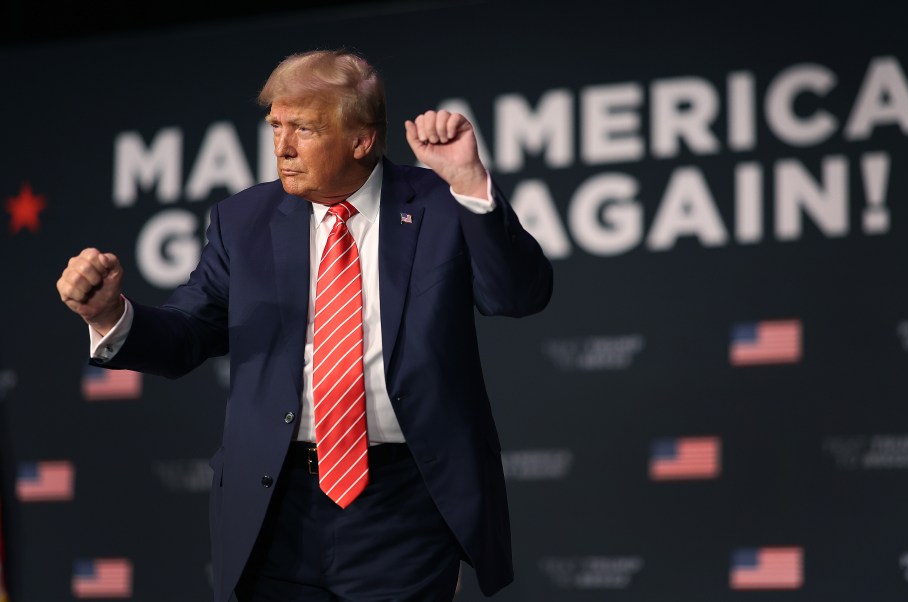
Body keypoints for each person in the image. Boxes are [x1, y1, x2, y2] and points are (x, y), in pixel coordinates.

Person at [56, 49, 553, 601]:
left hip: (405, 503)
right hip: (275, 505)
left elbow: (518, 296)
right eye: (276, 127)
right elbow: (186, 332)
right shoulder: (243, 221)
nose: (282, 148)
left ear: (362, 140)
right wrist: (108, 314)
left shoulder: (439, 202)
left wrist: (469, 181)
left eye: (304, 129)